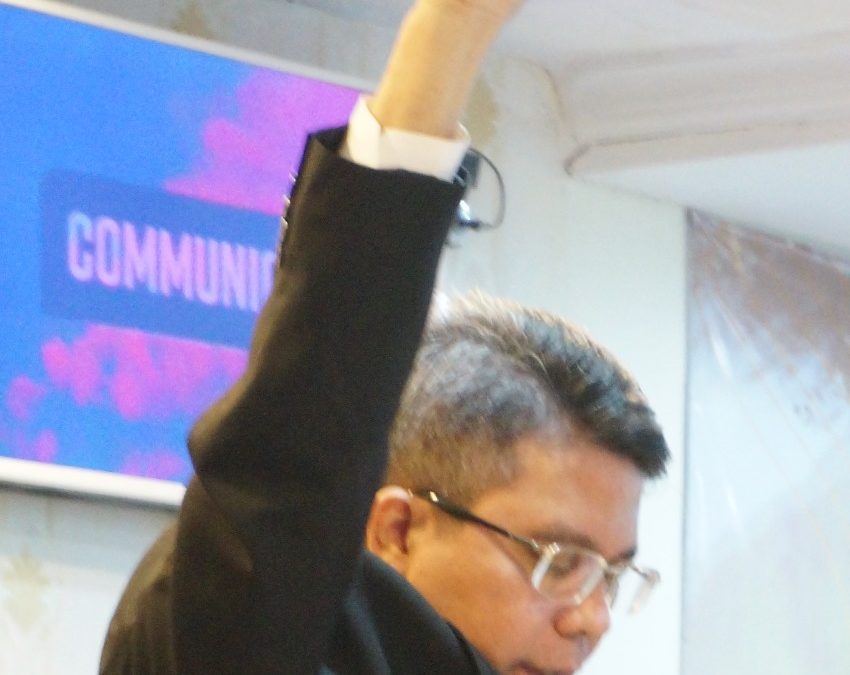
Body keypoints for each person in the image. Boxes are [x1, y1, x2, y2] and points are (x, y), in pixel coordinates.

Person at [100, 0, 669, 673]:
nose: (592, 619)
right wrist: (451, 32)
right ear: (398, 530)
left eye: (611, 576)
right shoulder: (239, 625)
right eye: (560, 561)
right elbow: (292, 463)